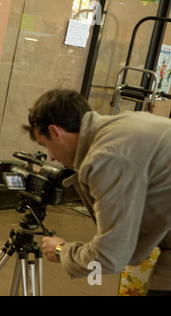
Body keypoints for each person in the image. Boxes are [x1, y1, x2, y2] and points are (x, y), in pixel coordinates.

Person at [23, 88, 171, 295]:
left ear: (55, 132)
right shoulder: (119, 127)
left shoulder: (107, 157)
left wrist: (61, 251)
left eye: (45, 145)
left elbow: (112, 255)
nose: (51, 158)